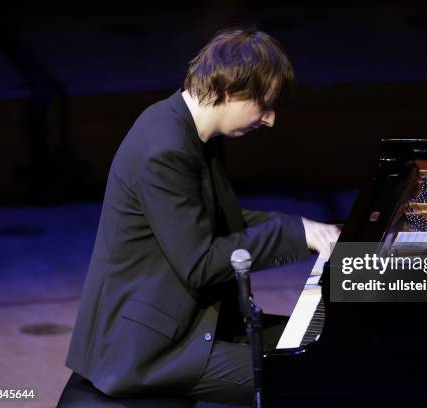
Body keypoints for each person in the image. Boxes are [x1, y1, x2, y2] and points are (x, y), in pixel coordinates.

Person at [64, 27, 340, 405]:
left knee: (328, 345)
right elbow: (200, 262)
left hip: (192, 324)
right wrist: (294, 234)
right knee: (315, 379)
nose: (271, 119)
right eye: (264, 104)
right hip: (153, 348)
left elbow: (219, 220)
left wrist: (309, 231)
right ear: (229, 91)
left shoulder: (188, 130)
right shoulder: (164, 149)